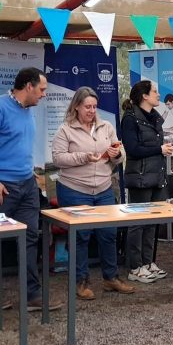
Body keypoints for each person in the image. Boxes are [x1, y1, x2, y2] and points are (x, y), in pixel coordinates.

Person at [0, 67, 63, 311]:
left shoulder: (27, 110)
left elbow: (16, 146)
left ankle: (32, 294)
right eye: (41, 89)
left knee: (30, 237)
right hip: (0, 188)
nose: (44, 94)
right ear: (28, 86)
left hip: (27, 186)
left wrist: (28, 171)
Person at [51, 86, 135, 300]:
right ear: (76, 107)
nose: (91, 111)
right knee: (80, 236)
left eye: (94, 107)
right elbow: (58, 158)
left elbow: (120, 153)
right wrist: (85, 156)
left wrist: (116, 154)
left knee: (109, 234)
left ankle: (111, 278)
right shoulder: (65, 130)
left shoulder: (106, 127)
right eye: (87, 107)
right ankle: (81, 281)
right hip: (74, 189)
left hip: (104, 188)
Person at [120, 80, 173, 283]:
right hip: (140, 178)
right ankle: (135, 268)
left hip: (156, 177)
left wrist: (162, 150)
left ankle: (148, 262)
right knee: (138, 223)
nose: (159, 95)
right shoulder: (130, 118)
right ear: (144, 96)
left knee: (152, 222)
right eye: (155, 91)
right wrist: (159, 149)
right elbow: (133, 149)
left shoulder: (156, 117)